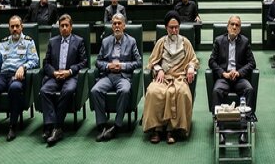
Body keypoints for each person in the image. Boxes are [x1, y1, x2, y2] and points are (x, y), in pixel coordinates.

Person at [0, 16, 39, 141]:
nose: (15, 29)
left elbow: (35, 60)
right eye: (12, 27)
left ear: (21, 26)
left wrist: (23, 67)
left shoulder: (29, 42)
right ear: (9, 28)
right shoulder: (4, 42)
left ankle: (13, 125)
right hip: (3, 74)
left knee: (15, 88)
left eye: (17, 26)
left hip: (17, 75)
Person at [143, 11, 199, 144]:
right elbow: (152, 62)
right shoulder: (161, 42)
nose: (174, 30)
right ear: (166, 28)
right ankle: (157, 129)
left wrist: (190, 68)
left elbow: (193, 60)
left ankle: (172, 130)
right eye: (171, 27)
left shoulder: (186, 43)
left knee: (181, 92)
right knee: (154, 92)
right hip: (163, 77)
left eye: (176, 27)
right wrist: (159, 69)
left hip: (179, 78)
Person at [90, 13, 142, 141]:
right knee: (95, 90)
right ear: (112, 26)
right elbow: (98, 61)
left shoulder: (131, 41)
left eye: (119, 23)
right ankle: (102, 125)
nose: (117, 26)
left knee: (124, 90)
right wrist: (108, 66)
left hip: (124, 77)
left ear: (124, 26)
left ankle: (116, 126)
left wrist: (122, 66)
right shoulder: (106, 41)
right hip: (108, 76)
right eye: (114, 24)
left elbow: (138, 62)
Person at [40, 14, 88, 146]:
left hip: (70, 76)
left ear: (71, 27)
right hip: (55, 76)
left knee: (68, 90)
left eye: (67, 25)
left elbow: (84, 62)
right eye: (62, 26)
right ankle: (50, 125)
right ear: (59, 28)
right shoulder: (52, 41)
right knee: (44, 90)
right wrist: (54, 73)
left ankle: (56, 126)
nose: (64, 28)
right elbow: (46, 63)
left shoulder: (79, 41)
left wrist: (69, 71)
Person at [209, 15, 255, 145]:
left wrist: (239, 73)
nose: (234, 27)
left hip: (239, 78)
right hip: (225, 77)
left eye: (237, 25)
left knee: (249, 89)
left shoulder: (245, 42)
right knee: (217, 90)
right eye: (232, 24)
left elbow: (252, 63)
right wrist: (223, 73)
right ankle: (221, 131)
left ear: (240, 29)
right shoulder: (219, 40)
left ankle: (243, 130)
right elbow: (211, 61)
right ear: (227, 26)